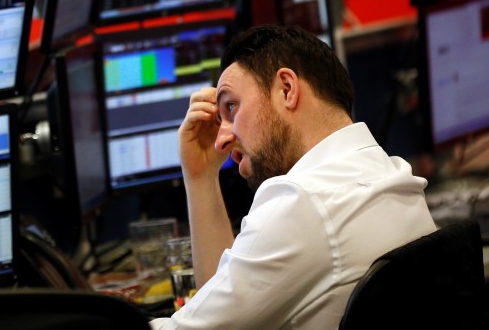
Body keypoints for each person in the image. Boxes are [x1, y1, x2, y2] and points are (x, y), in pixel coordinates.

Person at [150, 24, 436, 329]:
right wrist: (202, 176)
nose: (221, 140)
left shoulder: (300, 202)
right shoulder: (392, 174)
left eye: (231, 106)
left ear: (286, 89)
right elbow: (220, 307)